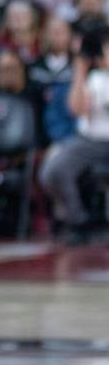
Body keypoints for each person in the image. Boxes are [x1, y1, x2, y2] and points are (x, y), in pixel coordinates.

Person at [41, 24, 109, 244]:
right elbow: (76, 109)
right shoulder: (94, 78)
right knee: (53, 172)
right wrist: (79, 71)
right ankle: (79, 220)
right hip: (89, 141)